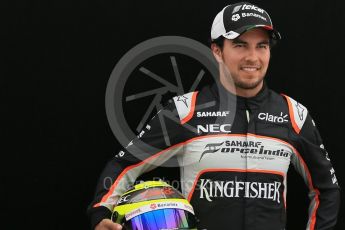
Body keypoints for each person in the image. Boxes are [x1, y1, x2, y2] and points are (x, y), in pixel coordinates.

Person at [88, 2, 340, 229]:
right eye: (240, 45)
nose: (252, 57)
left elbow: (326, 189)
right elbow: (124, 164)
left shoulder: (294, 114)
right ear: (217, 50)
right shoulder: (185, 111)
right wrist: (100, 213)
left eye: (261, 46)